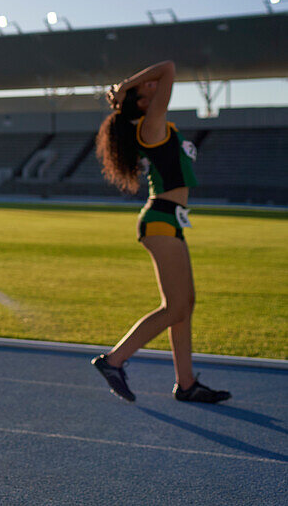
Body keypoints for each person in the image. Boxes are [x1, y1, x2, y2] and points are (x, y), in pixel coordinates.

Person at [89, 60, 230, 404]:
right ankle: (114, 360)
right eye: (148, 88)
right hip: (160, 220)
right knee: (175, 307)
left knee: (184, 305)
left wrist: (130, 88)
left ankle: (186, 383)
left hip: (171, 220)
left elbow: (162, 75)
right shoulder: (151, 124)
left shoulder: (155, 124)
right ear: (141, 103)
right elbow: (167, 68)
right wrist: (125, 85)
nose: (155, 86)